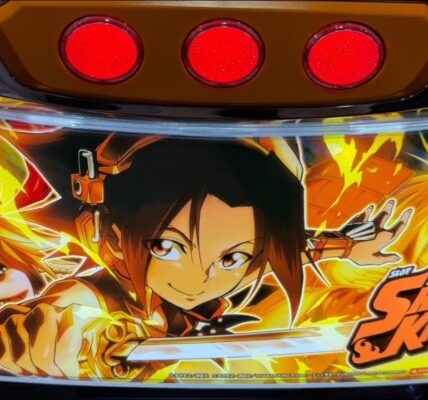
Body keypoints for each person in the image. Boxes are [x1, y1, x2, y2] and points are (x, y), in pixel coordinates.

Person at [0, 136, 412, 380]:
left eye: (232, 259)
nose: (198, 279)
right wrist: (40, 337)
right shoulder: (93, 296)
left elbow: (290, 249)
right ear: (112, 236)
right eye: (166, 248)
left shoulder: (254, 259)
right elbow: (49, 317)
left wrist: (348, 247)